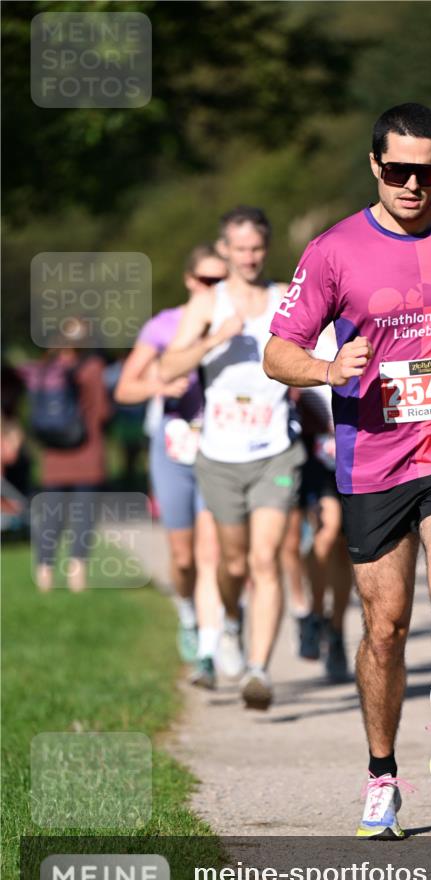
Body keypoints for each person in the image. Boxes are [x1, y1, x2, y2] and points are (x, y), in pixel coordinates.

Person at [264, 103, 431, 838]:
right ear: (375, 165)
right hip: (372, 460)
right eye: (399, 170)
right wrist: (323, 367)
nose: (413, 184)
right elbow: (276, 350)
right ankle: (381, 776)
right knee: (384, 628)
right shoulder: (332, 249)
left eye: (428, 171)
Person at [160, 206, 305, 709]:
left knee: (265, 560)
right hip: (219, 454)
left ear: (267, 248)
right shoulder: (208, 303)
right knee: (233, 562)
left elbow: (316, 349)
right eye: (239, 248)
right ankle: (231, 621)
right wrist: (212, 339)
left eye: (257, 248)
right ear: (225, 250)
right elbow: (166, 366)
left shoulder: (285, 298)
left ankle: (258, 671)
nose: (249, 257)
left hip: (275, 451)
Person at [115, 245, 226, 680]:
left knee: (211, 550)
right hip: (175, 447)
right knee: (183, 557)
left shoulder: (237, 322)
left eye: (221, 281)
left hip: (222, 447)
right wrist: (161, 385)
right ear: (189, 280)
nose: (213, 289)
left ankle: (210, 650)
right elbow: (125, 388)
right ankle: (187, 613)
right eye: (206, 281)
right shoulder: (165, 325)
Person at [21, 320, 111, 592]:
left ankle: (44, 571)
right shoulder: (93, 368)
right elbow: (103, 411)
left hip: (54, 454)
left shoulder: (46, 368)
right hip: (87, 452)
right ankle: (76, 572)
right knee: (83, 514)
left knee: (51, 514)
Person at [290, 324, 353, 682]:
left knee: (344, 549)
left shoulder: (364, 318)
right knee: (325, 535)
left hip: (358, 445)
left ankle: (337, 630)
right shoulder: (307, 324)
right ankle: (314, 612)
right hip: (316, 453)